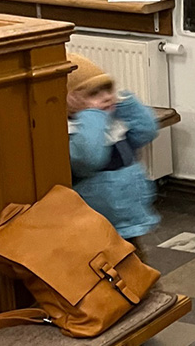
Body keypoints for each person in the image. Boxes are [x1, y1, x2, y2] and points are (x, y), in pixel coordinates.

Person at [67, 53, 160, 254]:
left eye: (108, 89)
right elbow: (89, 158)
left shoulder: (112, 121)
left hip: (126, 213)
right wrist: (92, 115)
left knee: (134, 263)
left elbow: (146, 131)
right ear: (71, 101)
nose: (107, 96)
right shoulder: (75, 130)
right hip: (99, 219)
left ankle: (144, 286)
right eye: (94, 94)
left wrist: (126, 102)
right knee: (106, 265)